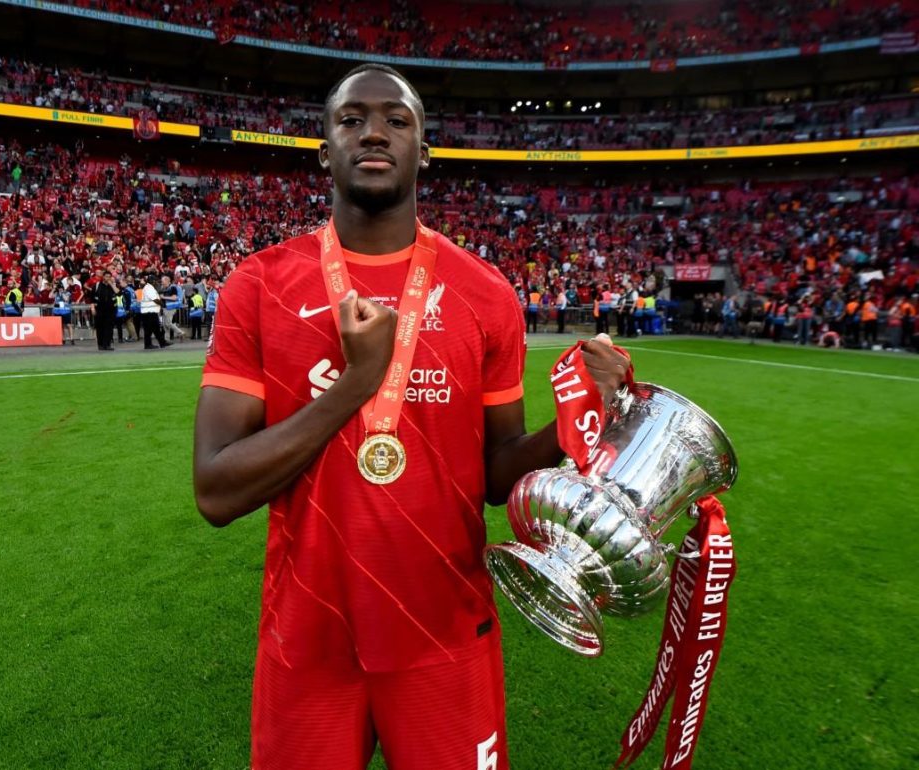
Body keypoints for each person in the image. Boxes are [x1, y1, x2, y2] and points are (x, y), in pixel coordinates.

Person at [192, 63, 630, 770]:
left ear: (423, 151)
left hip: (445, 634)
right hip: (308, 638)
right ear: (324, 150)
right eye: (352, 119)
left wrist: (577, 421)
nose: (374, 133)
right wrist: (357, 384)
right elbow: (216, 489)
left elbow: (496, 476)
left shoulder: (485, 293)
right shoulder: (259, 284)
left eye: (396, 121)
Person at [139, 274, 170, 349]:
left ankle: (161, 342)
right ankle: (149, 344)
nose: (156, 282)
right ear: (152, 281)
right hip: (149, 312)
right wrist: (162, 304)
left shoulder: (148, 287)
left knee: (155, 329)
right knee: (150, 329)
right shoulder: (149, 288)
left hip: (149, 312)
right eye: (155, 281)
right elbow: (155, 299)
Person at [91, 270, 117, 351]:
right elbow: (92, 298)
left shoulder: (113, 286)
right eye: (106, 276)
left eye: (109, 277)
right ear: (103, 277)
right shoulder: (97, 285)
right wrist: (92, 308)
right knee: (100, 328)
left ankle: (107, 344)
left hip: (110, 310)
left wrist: (111, 284)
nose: (107, 278)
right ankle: (100, 344)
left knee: (109, 328)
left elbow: (118, 293)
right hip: (99, 310)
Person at [160, 274, 186, 342]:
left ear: (167, 281)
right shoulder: (165, 288)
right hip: (165, 307)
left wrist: (163, 297)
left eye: (162, 281)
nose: (161, 282)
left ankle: (181, 333)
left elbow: (174, 298)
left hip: (171, 307)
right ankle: (166, 339)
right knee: (164, 324)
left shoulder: (173, 288)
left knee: (168, 323)